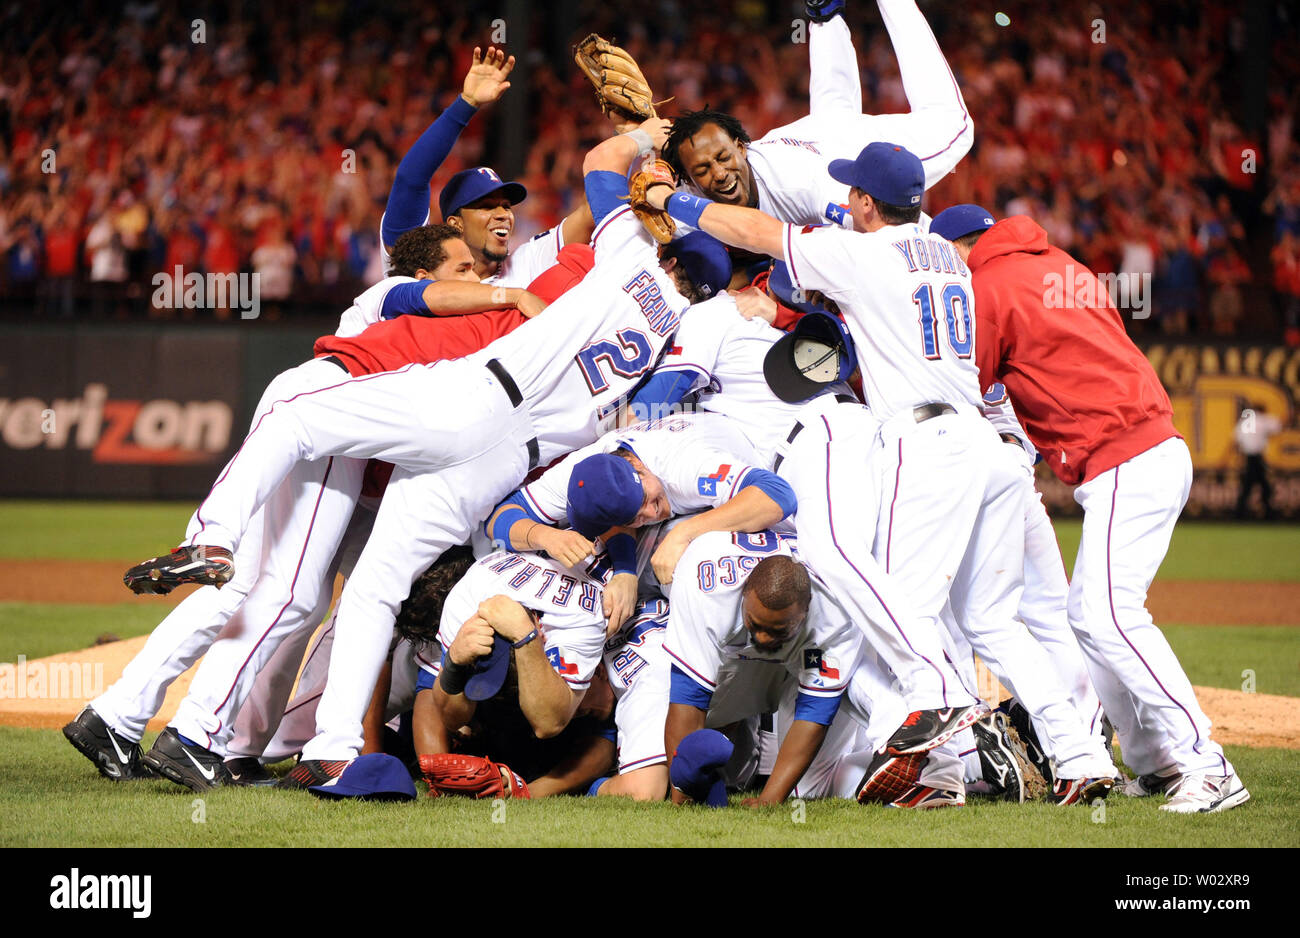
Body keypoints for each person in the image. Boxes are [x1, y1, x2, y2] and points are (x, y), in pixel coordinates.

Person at [929, 202, 1249, 813]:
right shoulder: (1057, 263)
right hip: (1146, 449)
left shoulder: (989, 283)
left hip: (1125, 458)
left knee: (1107, 615)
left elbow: (963, 380)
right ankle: (1155, 761)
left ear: (954, 251)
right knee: (1087, 615)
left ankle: (1207, 762)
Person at [662, 0, 971, 233]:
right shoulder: (689, 190)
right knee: (833, 106)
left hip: (845, 149)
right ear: (689, 178)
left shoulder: (804, 189)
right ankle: (825, 16)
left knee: (955, 124)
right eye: (703, 168)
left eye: (722, 157)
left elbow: (889, 228)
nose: (717, 173)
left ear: (742, 147)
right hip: (814, 131)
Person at [1234, 402, 1283, 519]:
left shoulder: (1244, 422)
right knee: (1264, 487)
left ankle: (1240, 514)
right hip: (1257, 459)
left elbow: (1235, 441)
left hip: (1248, 459)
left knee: (1248, 487)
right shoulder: (1263, 420)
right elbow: (1279, 425)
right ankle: (1268, 513)